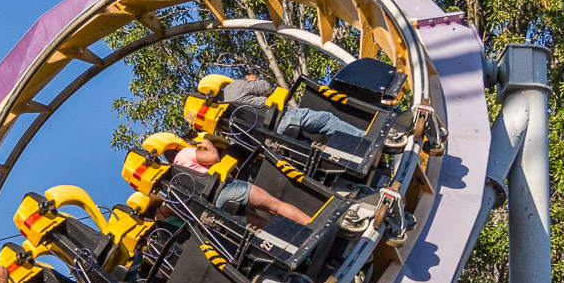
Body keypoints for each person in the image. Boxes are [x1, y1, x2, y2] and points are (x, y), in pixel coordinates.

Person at [220, 73, 407, 151]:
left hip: (273, 138)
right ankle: (368, 140)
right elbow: (266, 86)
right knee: (326, 120)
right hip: (282, 117)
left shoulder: (224, 123)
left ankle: (355, 151)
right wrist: (252, 80)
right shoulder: (233, 88)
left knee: (315, 149)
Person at [172, 136, 312, 226]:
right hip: (226, 187)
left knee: (263, 226)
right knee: (275, 206)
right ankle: (310, 225)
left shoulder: (174, 179)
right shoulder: (184, 153)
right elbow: (213, 156)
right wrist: (208, 144)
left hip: (214, 205)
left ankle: (287, 245)